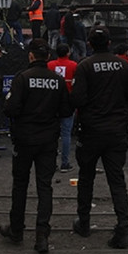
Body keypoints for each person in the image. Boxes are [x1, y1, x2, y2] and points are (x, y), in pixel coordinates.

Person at [70, 26, 128, 249]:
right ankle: (123, 228)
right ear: (109, 43)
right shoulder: (124, 66)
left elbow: (77, 99)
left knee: (86, 178)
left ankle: (84, 223)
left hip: (91, 132)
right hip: (116, 132)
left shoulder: (84, 66)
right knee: (117, 180)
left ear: (90, 44)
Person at [0, 39, 72, 252]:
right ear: (47, 57)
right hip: (48, 141)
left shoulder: (22, 78)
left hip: (24, 140)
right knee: (45, 186)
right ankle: (42, 236)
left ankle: (16, 230)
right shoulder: (57, 81)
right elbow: (66, 111)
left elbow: (10, 109)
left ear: (30, 56)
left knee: (20, 185)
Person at [47, 43, 77, 172]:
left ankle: (51, 162)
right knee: (66, 134)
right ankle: (65, 163)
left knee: (51, 134)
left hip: (52, 103)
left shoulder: (50, 65)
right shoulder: (74, 65)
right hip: (67, 103)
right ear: (68, 53)